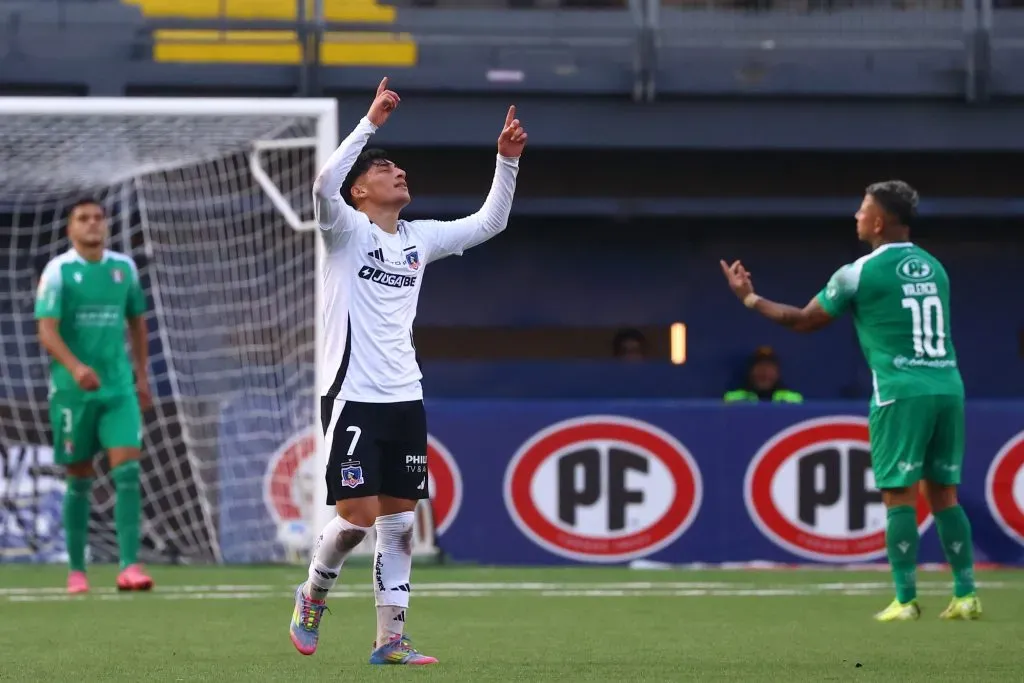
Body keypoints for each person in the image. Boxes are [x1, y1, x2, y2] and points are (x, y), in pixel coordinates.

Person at [289, 78, 527, 664]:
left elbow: (490, 222)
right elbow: (323, 183)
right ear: (361, 190)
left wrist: (507, 161)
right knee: (356, 519)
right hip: (351, 394)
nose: (398, 174)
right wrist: (370, 123)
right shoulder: (345, 231)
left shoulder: (418, 241)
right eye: (385, 170)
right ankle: (312, 594)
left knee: (398, 523)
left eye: (399, 169)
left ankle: (390, 640)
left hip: (404, 395)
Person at [720, 180, 979, 622]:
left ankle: (905, 600)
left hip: (899, 392)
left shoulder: (858, 272)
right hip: (948, 386)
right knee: (944, 494)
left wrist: (748, 298)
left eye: (862, 210)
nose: (856, 216)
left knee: (899, 496)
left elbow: (801, 320)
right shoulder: (935, 267)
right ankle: (966, 594)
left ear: (878, 221)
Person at [35, 198, 154, 594]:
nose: (92, 224)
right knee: (79, 477)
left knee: (128, 471)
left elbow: (138, 323)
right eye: (83, 219)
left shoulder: (124, 269)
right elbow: (47, 330)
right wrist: (75, 368)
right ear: (70, 229)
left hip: (118, 388)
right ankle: (76, 570)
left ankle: (130, 566)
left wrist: (141, 376)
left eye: (98, 218)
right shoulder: (58, 272)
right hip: (72, 392)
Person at [723, 346, 803, 403]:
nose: (764, 373)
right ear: (751, 371)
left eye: (769, 367)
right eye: (760, 367)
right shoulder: (733, 399)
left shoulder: (793, 399)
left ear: (777, 373)